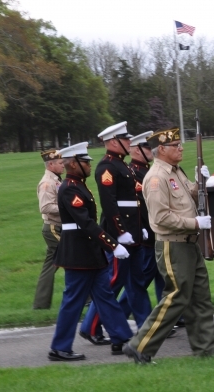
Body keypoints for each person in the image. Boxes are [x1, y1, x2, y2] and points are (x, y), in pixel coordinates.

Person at [123, 127, 214, 364]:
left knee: (200, 298)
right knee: (176, 297)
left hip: (190, 244)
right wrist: (195, 223)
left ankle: (207, 350)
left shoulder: (175, 171)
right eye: (175, 145)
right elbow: (160, 218)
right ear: (161, 149)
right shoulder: (156, 178)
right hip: (173, 246)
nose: (181, 148)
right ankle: (139, 346)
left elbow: (190, 197)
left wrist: (200, 182)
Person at [48, 142, 134, 361]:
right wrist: (113, 245)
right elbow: (86, 223)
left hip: (90, 253)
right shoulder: (70, 188)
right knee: (73, 302)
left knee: (105, 297)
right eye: (85, 162)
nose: (89, 165)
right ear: (73, 164)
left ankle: (121, 338)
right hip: (78, 254)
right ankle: (59, 348)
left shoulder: (79, 186)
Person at [78, 121, 152, 346]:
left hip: (133, 232)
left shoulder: (122, 165)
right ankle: (90, 326)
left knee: (137, 282)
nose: (129, 142)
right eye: (125, 139)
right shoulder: (107, 167)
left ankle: (146, 327)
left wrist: (140, 227)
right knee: (113, 281)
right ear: (112, 142)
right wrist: (120, 233)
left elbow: (134, 202)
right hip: (120, 234)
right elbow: (109, 204)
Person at [119, 131, 166, 310]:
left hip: (156, 232)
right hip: (147, 235)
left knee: (164, 277)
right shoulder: (135, 173)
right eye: (147, 147)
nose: (151, 150)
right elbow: (142, 207)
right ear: (137, 150)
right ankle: (119, 313)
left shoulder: (147, 171)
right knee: (141, 280)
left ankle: (171, 315)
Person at [33, 148, 64, 310]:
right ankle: (87, 298)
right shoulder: (47, 183)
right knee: (73, 257)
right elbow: (45, 207)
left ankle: (40, 304)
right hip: (53, 228)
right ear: (51, 164)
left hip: (58, 227)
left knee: (51, 265)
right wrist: (67, 207)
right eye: (60, 163)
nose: (63, 165)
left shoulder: (56, 179)